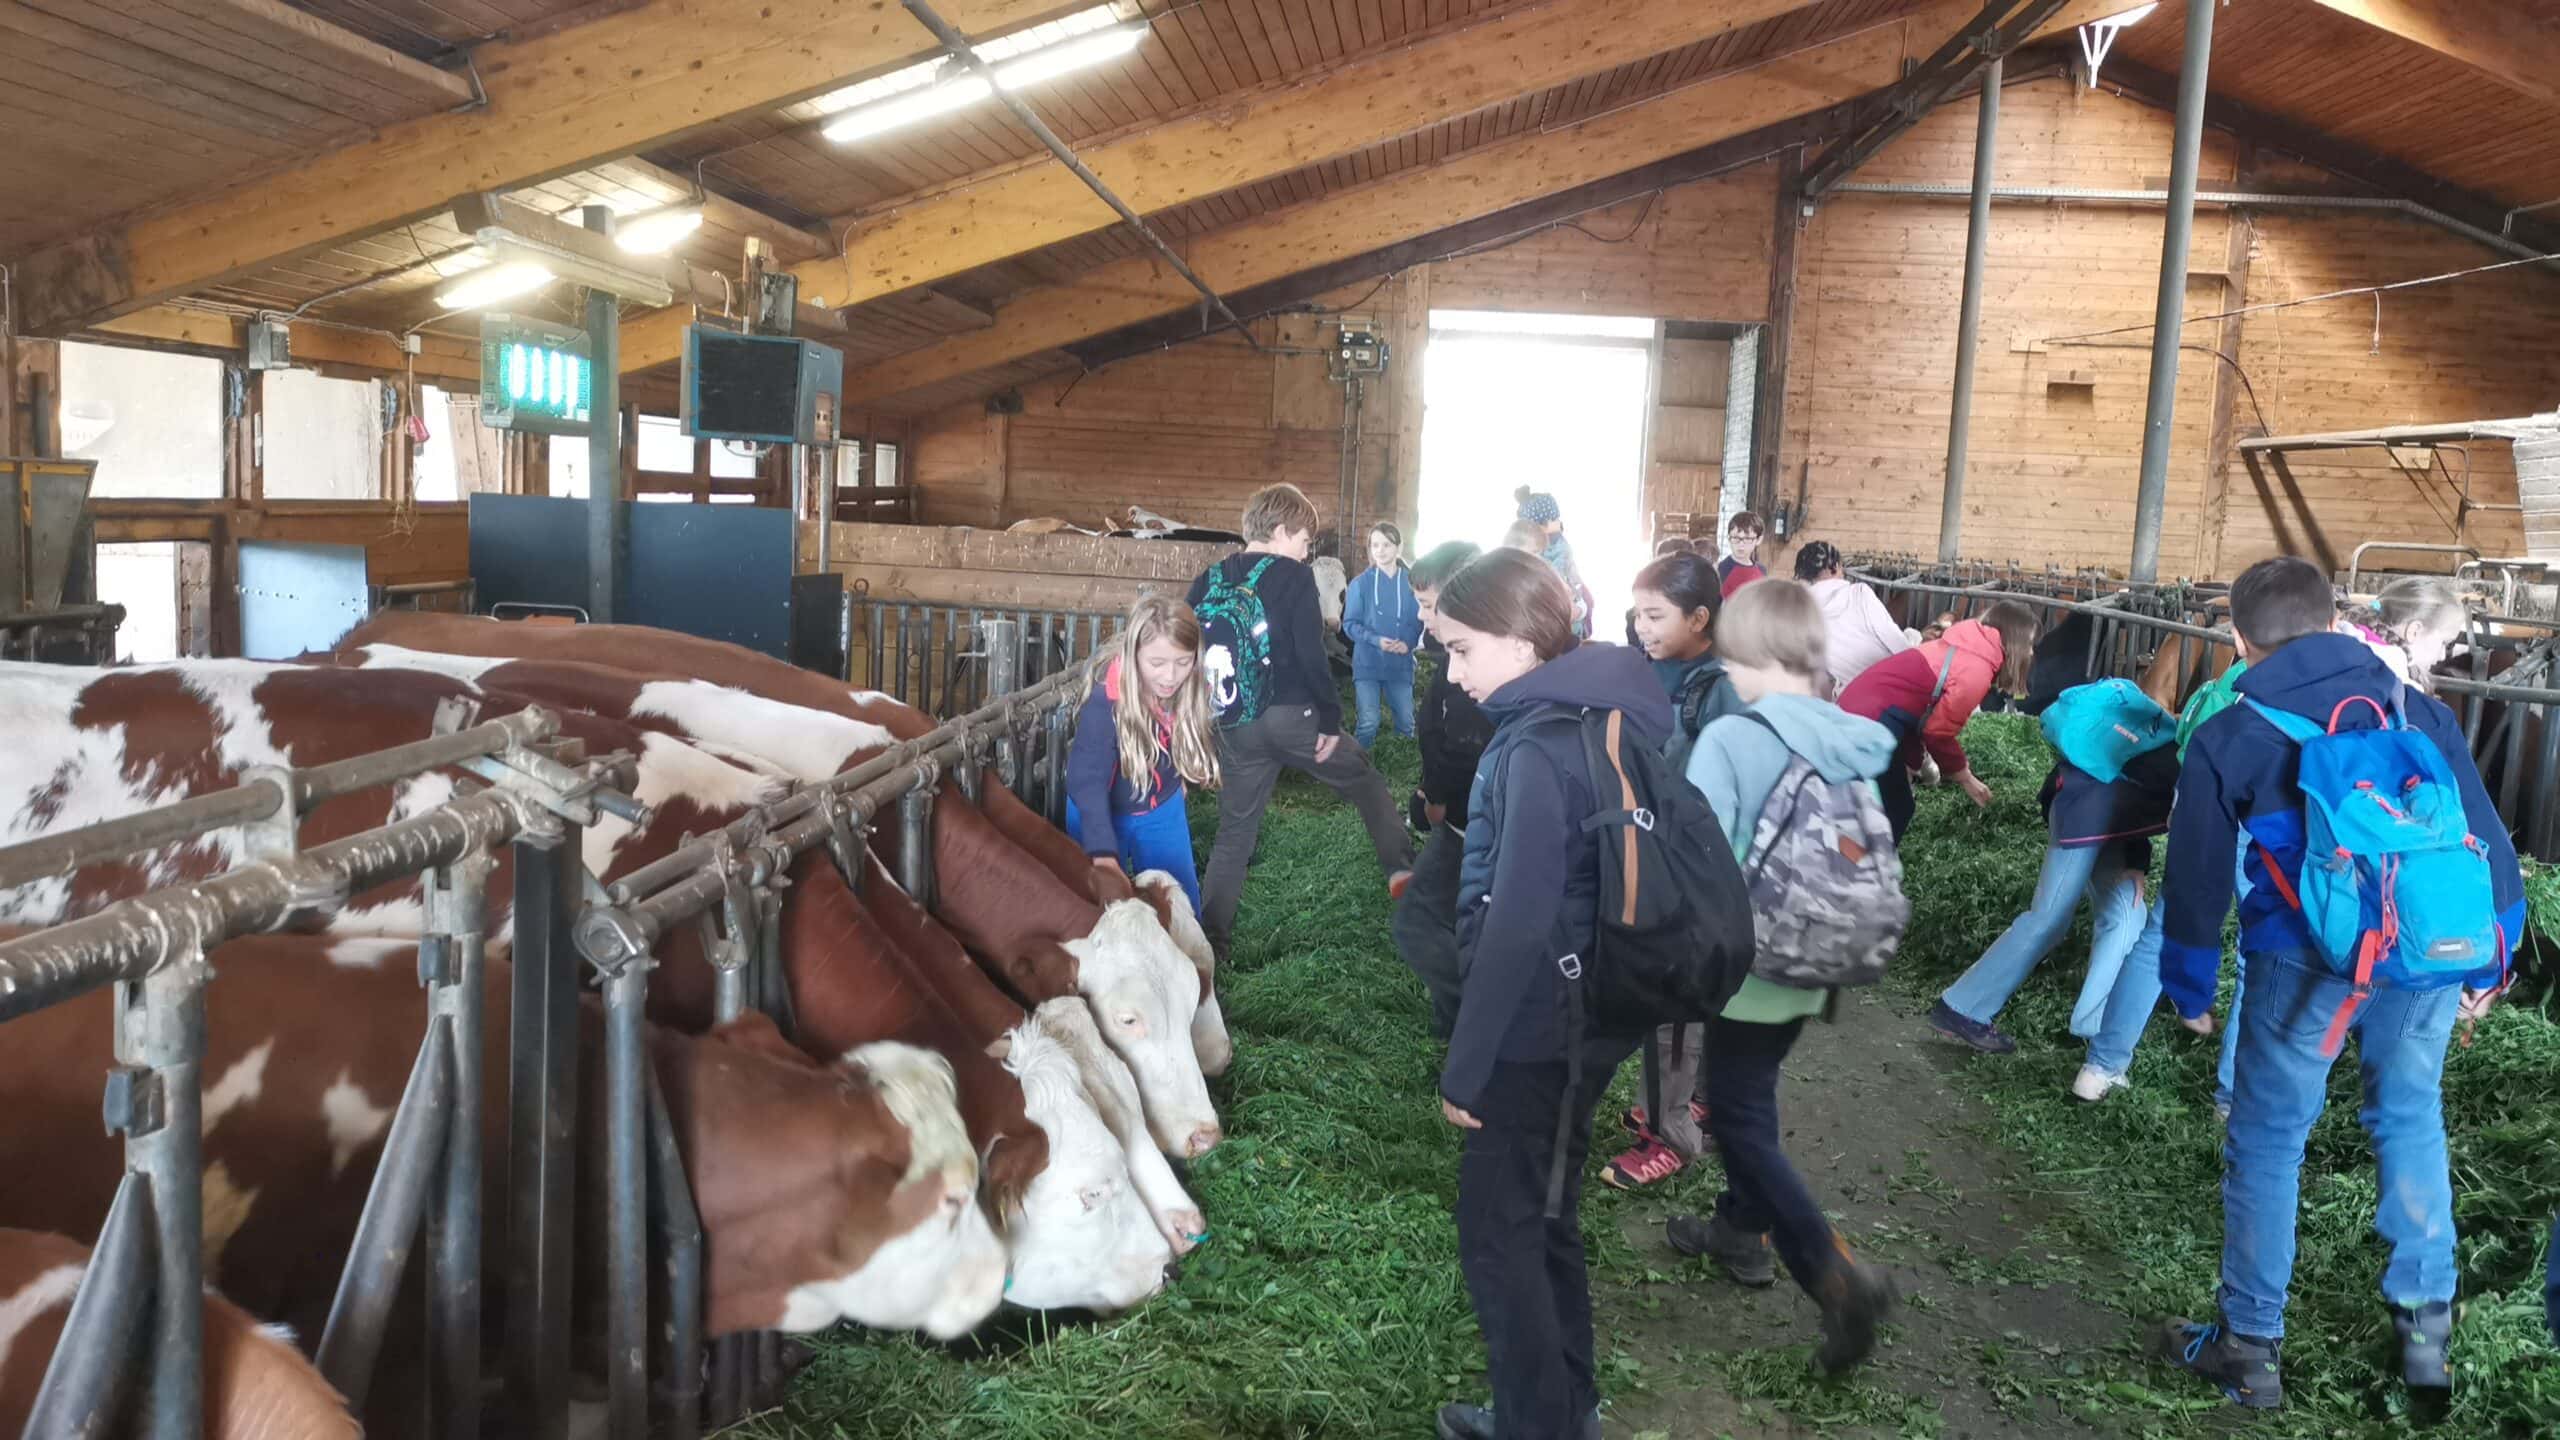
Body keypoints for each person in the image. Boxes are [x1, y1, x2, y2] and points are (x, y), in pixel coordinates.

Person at [2155, 556, 2523, 1411]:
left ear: (2240, 639)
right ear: (2333, 621)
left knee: (2272, 1141)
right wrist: (2494, 952)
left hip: (2302, 966)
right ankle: (2427, 1339)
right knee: (2409, 1119)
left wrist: (2191, 985)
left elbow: (2198, 873)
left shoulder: (2231, 731)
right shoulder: (2418, 709)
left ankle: (2249, 1345)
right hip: (2424, 960)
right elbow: (2484, 833)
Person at [1433, 547, 1660, 1440]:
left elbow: (1517, 921)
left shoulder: (1534, 748)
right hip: (1592, 1014)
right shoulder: (1598, 716)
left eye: (1460, 649)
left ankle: (1534, 1426)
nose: (1451, 671)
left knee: (1497, 1233)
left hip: (1535, 1031)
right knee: (1550, 1214)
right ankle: (1569, 1408)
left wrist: (1465, 1065)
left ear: (1523, 645)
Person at [1654, 579, 1899, 1374]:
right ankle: (1736, 1231)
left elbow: (1701, 858)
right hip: (1817, 960)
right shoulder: (1850, 736)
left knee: (1738, 1115)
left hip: (1748, 962)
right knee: (1748, 1093)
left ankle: (1833, 1274)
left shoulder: (1734, 737)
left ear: (1744, 655)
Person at [1189, 484, 1414, 957]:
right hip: (1295, 718)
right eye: (1306, 539)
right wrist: (1331, 718)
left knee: (1234, 832)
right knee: (1366, 782)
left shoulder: (1207, 580)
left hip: (1233, 723)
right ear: (1280, 530)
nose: (1307, 549)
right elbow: (1313, 656)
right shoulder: (1292, 577)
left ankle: (1210, 942)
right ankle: (1402, 872)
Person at [1602, 551, 1746, 1190]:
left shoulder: (1725, 692)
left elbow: (1731, 790)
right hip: (1651, 854)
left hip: (1695, 867)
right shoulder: (1647, 671)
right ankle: (1698, 1103)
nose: (1642, 627)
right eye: (1637, 613)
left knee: (1676, 1005)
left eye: (1655, 615)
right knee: (1684, 1001)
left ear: (1699, 617)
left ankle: (1669, 1136)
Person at [1925, 701, 2178, 1057]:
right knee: (2050, 918)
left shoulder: (2184, 752)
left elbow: (2137, 794)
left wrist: (2138, 862)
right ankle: (1962, 1008)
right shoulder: (2198, 763)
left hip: (2110, 823)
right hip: (2082, 813)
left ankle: (2094, 1026)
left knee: (2129, 916)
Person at [1394, 540, 1496, 1040]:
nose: (1422, 616)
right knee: (1457, 916)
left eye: (1428, 605)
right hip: (1463, 816)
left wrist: (1433, 797)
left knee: (1418, 921)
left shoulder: (1471, 672)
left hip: (1467, 821)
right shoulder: (1458, 656)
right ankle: (1452, 1027)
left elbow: (1461, 744)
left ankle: (1471, 1020)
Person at [1063, 595, 1221, 912]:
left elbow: (1179, 732)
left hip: (1161, 807)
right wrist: (1102, 852)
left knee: (1180, 901)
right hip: (1099, 813)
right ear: (1134, 654)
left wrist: (1177, 774)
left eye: (1182, 662)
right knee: (1099, 907)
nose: (1170, 677)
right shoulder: (1107, 701)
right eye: (1157, 663)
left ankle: (1188, 959)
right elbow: (1087, 780)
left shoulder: (1192, 688)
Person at [1837, 601, 2038, 842]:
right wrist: (1966, 778)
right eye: (2030, 644)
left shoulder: (1959, 648)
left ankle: (1851, 864)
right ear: (2014, 642)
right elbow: (1937, 732)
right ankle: (1860, 871)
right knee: (1892, 810)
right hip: (1870, 723)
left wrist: (1912, 762)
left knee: (1882, 806)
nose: (2031, 652)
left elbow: (1915, 713)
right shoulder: (1976, 670)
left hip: (1862, 712)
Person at [1794, 540, 1911, 696]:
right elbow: (1897, 643)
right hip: (1893, 689)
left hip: (1851, 700)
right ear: (1835, 567)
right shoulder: (1859, 593)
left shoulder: (1800, 617)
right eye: (1842, 567)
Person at [1344, 522, 1425, 749]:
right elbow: (1349, 624)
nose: (1380, 550)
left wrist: (1408, 643)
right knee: (1369, 721)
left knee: (1406, 722)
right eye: (1375, 545)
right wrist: (1375, 640)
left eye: (1387, 545)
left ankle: (1401, 769)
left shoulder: (1411, 584)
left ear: (1398, 548)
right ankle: (1359, 764)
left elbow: (1418, 619)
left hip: (1399, 662)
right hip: (1368, 662)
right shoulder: (1360, 584)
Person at [2344, 575, 2467, 691]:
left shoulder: (2343, 633)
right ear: (2414, 631)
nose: (2442, 656)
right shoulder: (2397, 680)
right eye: (2444, 643)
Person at [1515, 488, 1597, 640]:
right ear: (1542, 526)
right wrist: (1578, 603)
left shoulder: (1556, 541)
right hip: (1563, 606)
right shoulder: (1552, 548)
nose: (1559, 521)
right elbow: (1560, 577)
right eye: (1556, 518)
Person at [1715, 511, 1766, 598]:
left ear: (1759, 540)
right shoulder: (1721, 569)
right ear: (1729, 538)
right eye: (1735, 538)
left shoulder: (1761, 570)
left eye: (1747, 538)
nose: (1740, 544)